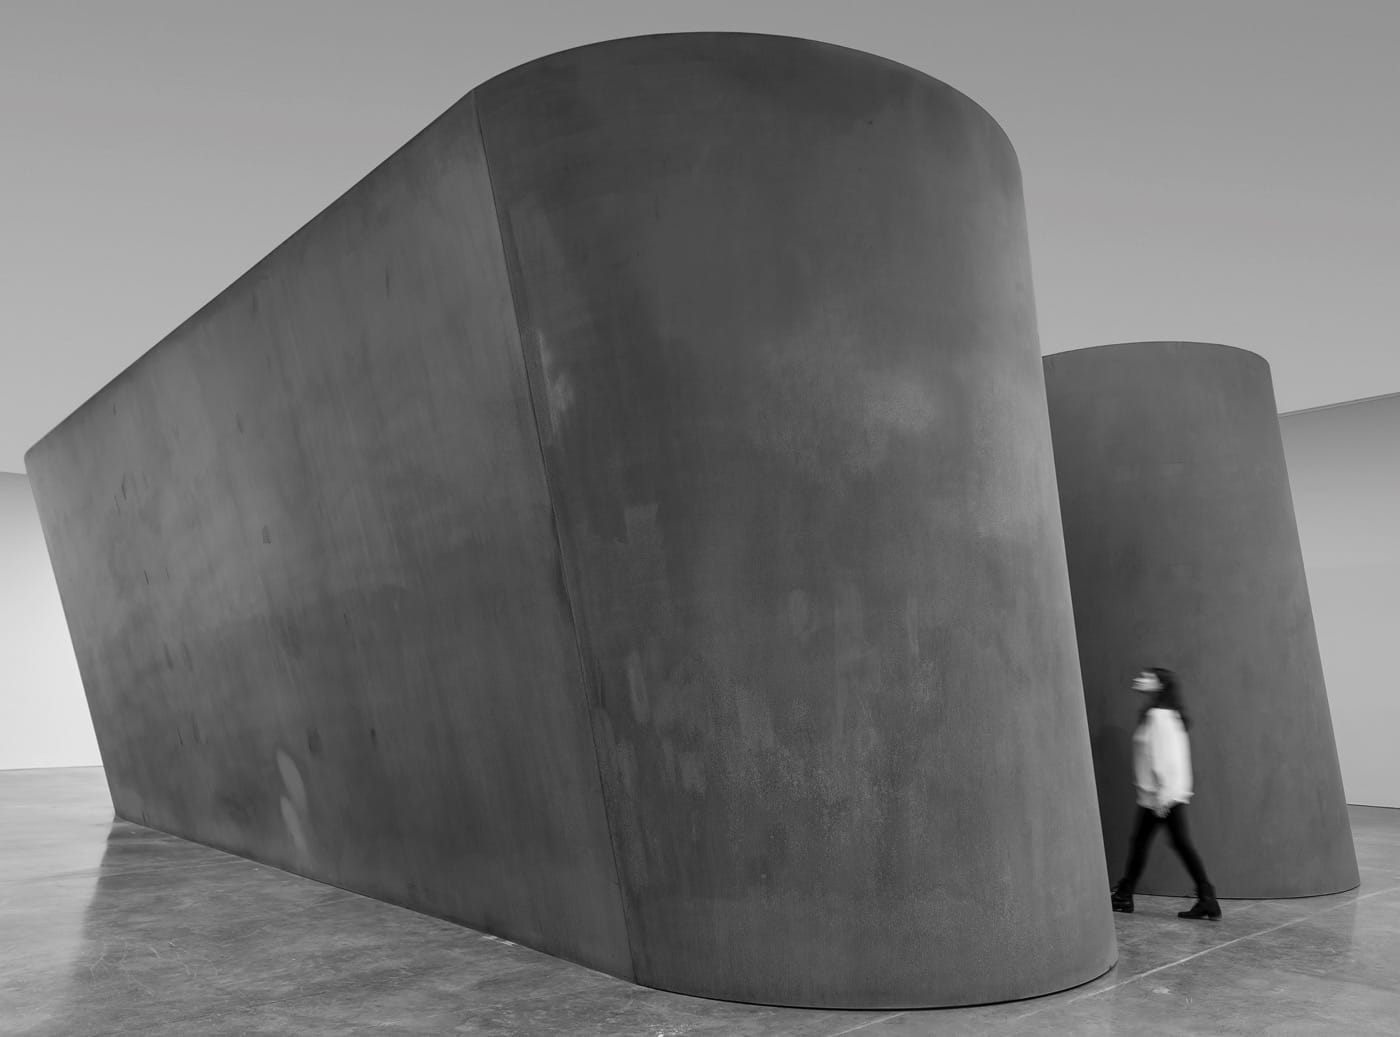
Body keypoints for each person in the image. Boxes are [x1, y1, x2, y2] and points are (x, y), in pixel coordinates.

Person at [1110, 667, 1221, 920]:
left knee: (1148, 843)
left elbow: (1163, 760)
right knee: (1173, 843)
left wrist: (1161, 798)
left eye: (1147, 676)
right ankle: (1206, 898)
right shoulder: (1167, 715)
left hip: (1160, 797)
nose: (1140, 678)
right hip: (1165, 794)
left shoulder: (1159, 716)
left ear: (1159, 685)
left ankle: (1125, 895)